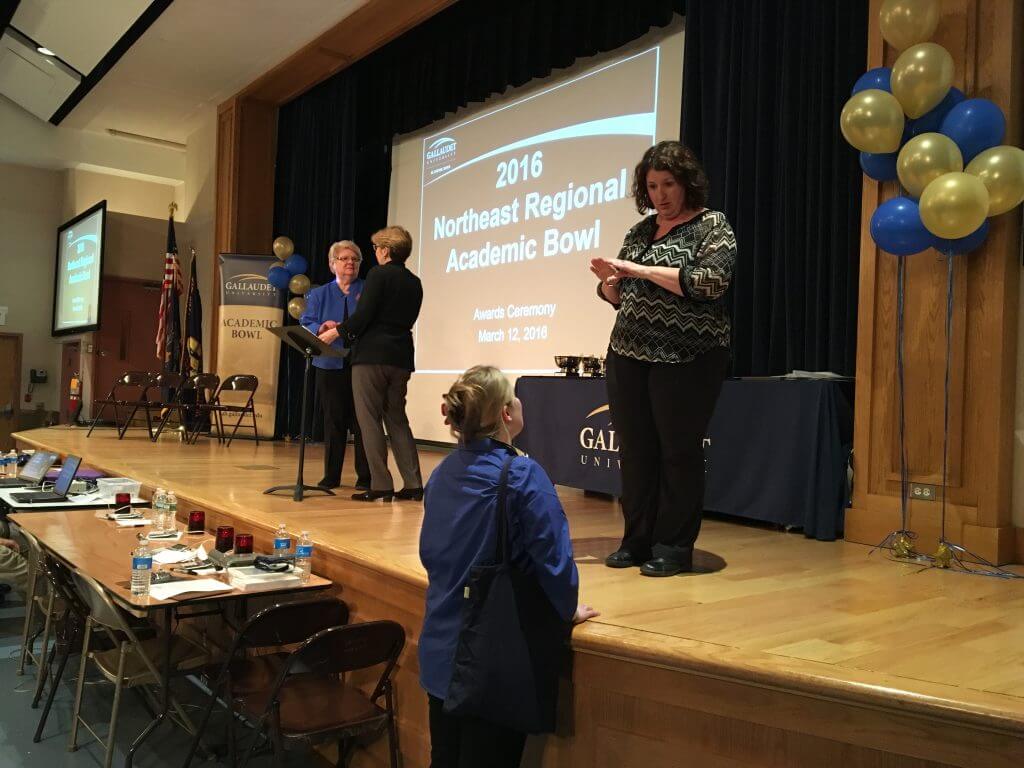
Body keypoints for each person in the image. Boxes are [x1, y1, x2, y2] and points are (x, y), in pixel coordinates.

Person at [419, 365, 598, 768]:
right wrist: (566, 610)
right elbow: (554, 562)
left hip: (439, 653)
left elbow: (430, 554)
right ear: (505, 413)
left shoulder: (442, 473)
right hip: (492, 663)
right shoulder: (522, 475)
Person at [590, 140, 737, 577]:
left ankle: (673, 546)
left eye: (668, 184)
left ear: (686, 182)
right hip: (627, 352)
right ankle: (637, 540)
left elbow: (709, 284)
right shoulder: (640, 231)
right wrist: (610, 282)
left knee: (678, 452)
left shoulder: (713, 226)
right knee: (636, 451)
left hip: (688, 355)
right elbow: (619, 297)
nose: (660, 194)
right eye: (652, 186)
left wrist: (639, 271)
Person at [335, 226, 424, 502]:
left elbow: (364, 317)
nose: (375, 253)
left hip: (372, 356)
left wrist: (337, 332)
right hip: (400, 358)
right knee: (397, 419)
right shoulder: (414, 281)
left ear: (385, 250)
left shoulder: (378, 275)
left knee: (369, 420)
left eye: (376, 248)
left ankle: (381, 484)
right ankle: (413, 483)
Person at [300, 240, 371, 490]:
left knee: (363, 421)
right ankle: (331, 476)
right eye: (344, 259)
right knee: (333, 420)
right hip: (328, 365)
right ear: (332, 265)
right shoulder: (319, 294)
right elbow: (305, 322)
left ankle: (366, 477)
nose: (350, 263)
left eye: (355, 259)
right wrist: (320, 327)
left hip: (362, 364)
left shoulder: (368, 289)